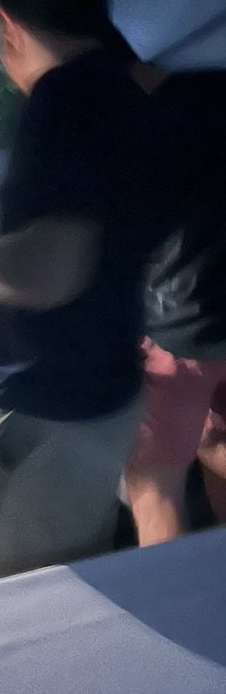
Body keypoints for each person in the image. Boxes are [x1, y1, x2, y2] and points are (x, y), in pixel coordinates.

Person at [0, 0, 172, 588]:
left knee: (5, 619)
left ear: (8, 24)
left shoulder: (62, 98)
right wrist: (0, 224)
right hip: (105, 394)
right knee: (65, 601)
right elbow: (91, 234)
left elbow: (47, 274)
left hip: (47, 407)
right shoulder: (124, 94)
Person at [121, 60, 226, 543]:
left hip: (178, 325)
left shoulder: (159, 116)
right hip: (209, 320)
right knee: (216, 443)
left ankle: (162, 619)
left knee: (154, 485)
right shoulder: (210, 91)